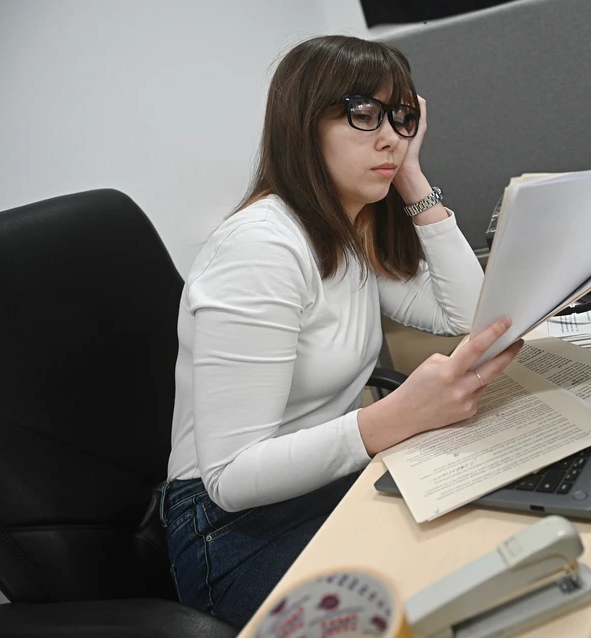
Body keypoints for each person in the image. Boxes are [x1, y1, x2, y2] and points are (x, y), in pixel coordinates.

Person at [159, 35, 523, 627]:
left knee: (479, 557)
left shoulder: (348, 230)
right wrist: (393, 418)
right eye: (363, 113)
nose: (390, 136)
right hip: (229, 527)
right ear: (303, 124)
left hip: (330, 482)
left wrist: (411, 176)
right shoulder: (262, 249)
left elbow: (468, 314)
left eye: (401, 118)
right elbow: (230, 478)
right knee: (429, 612)